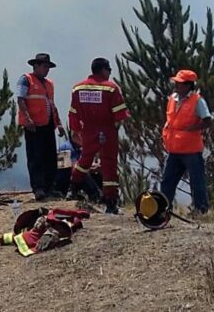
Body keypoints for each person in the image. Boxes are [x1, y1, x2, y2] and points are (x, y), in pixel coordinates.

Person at [68, 57, 130, 214]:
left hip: (87, 130)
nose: (109, 73)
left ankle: (72, 189)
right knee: (109, 166)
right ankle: (110, 203)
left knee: (84, 160)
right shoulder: (111, 88)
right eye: (109, 70)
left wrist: (76, 131)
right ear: (103, 70)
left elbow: (73, 113)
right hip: (107, 130)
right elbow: (120, 115)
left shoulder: (77, 88)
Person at [161, 70, 212, 215]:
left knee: (197, 182)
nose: (176, 85)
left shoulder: (197, 100)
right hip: (174, 149)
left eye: (180, 83)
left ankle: (201, 210)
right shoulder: (172, 98)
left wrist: (193, 128)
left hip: (191, 150)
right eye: (176, 82)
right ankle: (163, 210)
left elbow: (208, 120)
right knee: (167, 182)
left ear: (189, 85)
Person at [17, 53, 66, 201]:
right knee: (35, 157)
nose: (47, 70)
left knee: (50, 157)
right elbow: (20, 99)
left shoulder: (49, 84)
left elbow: (51, 105)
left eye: (48, 67)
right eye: (44, 66)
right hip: (34, 125)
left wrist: (59, 125)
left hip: (47, 125)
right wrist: (28, 119)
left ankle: (50, 187)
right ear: (36, 66)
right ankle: (38, 188)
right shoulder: (26, 79)